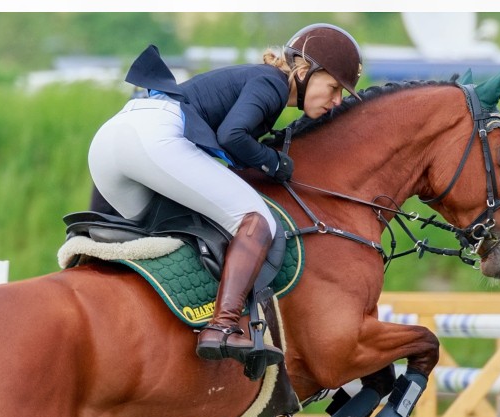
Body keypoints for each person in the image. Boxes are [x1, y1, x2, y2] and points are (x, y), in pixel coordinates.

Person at [88, 24, 362, 369]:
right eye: (334, 87)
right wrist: (273, 162)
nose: (337, 101)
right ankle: (223, 326)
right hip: (155, 137)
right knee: (258, 220)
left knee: (178, 236)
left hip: (109, 143)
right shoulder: (272, 83)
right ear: (303, 71)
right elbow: (233, 135)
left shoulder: (259, 81)